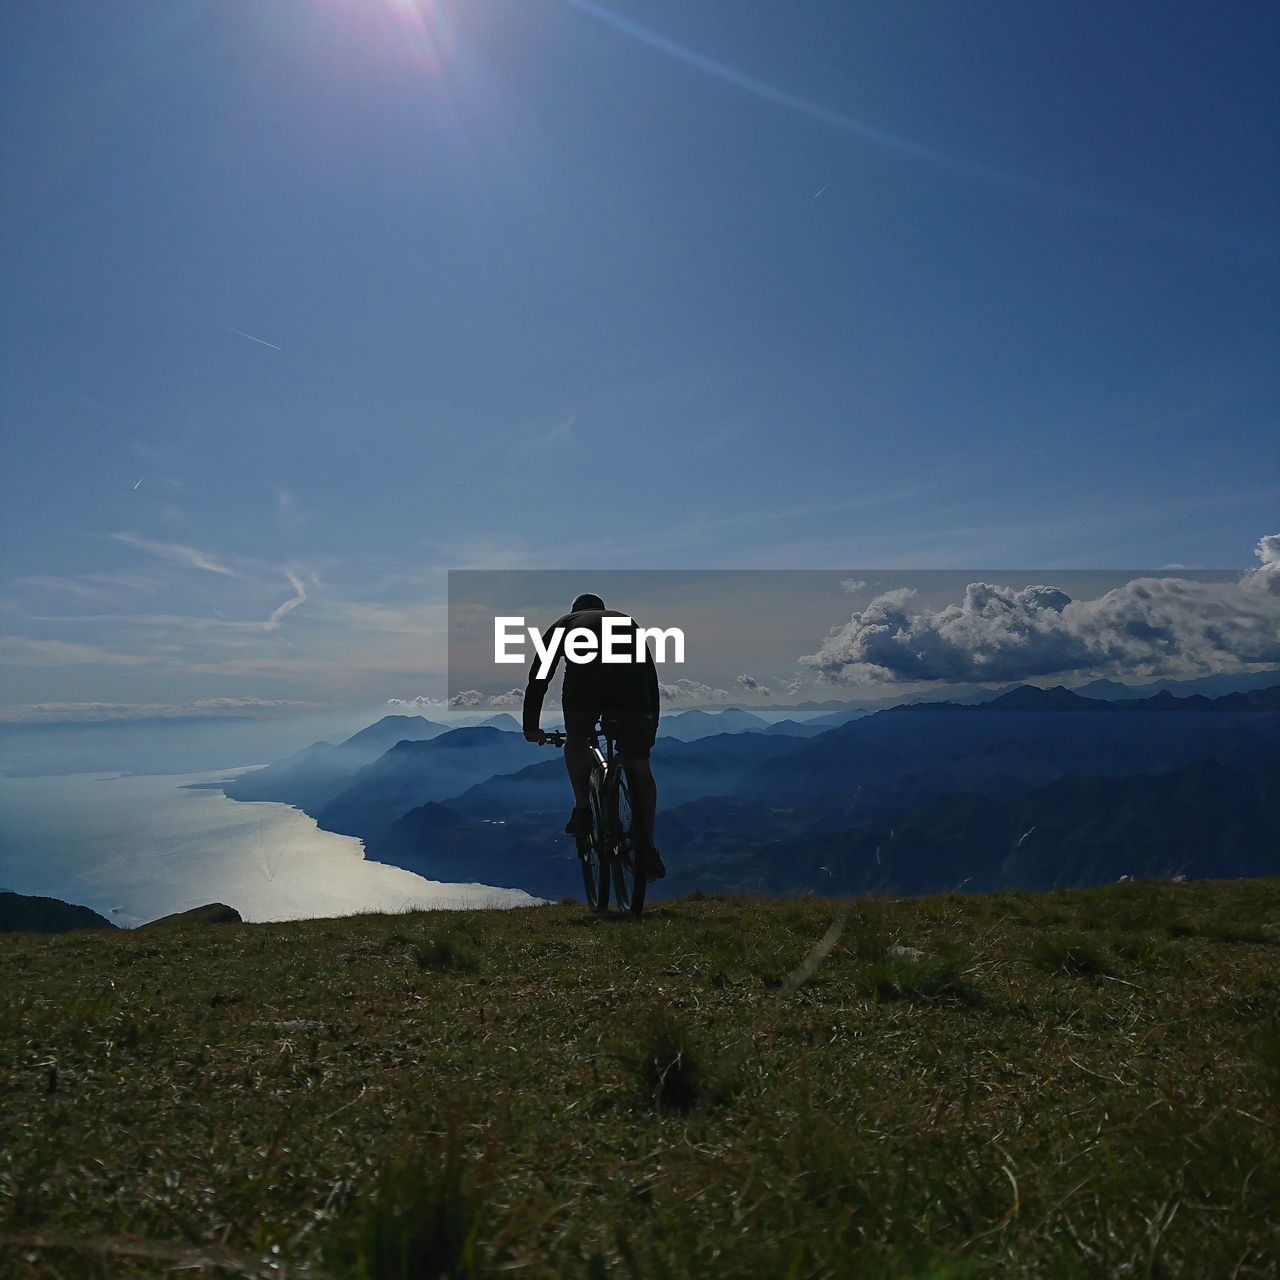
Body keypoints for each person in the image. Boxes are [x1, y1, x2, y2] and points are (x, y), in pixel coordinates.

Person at [522, 592, 665, 879]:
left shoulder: (565, 623)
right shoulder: (626, 621)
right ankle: (646, 847)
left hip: (585, 687)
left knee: (577, 740)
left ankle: (583, 807)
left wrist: (531, 725)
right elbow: (649, 675)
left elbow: (540, 675)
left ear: (575, 610)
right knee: (639, 764)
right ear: (603, 609)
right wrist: (651, 725)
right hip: (633, 690)